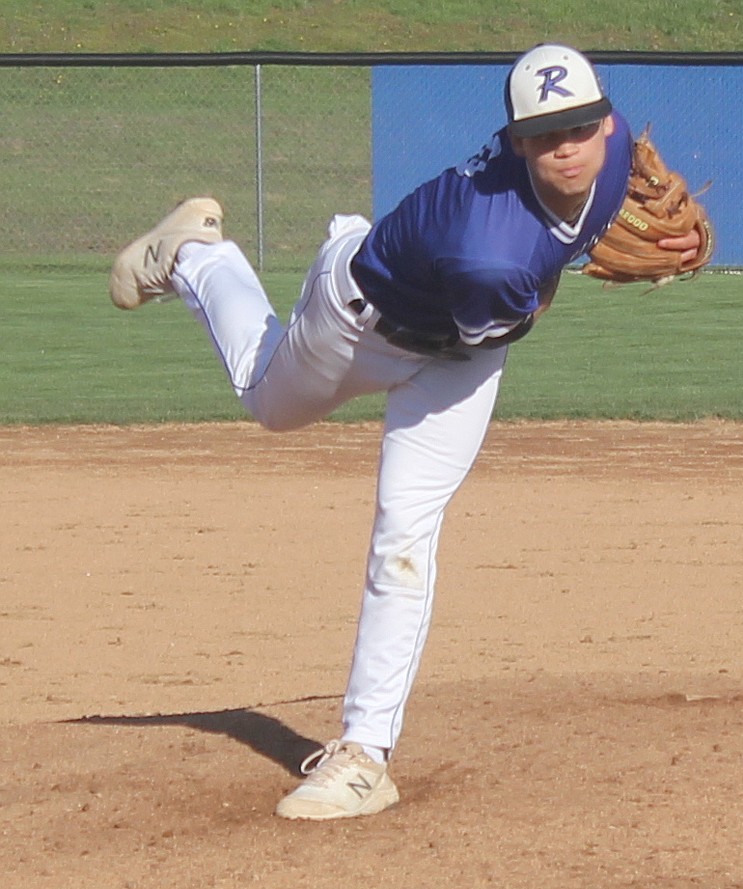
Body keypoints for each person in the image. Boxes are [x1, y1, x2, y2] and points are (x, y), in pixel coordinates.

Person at [110, 43, 701, 820]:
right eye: (547, 134)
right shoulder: (489, 251)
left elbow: (501, 313)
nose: (570, 146)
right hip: (358, 319)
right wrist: (564, 267)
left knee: (404, 529)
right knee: (266, 398)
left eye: (583, 127)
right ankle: (197, 255)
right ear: (518, 140)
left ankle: (364, 753)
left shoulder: (615, 147)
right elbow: (513, 314)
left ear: (607, 120)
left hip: (453, 356)